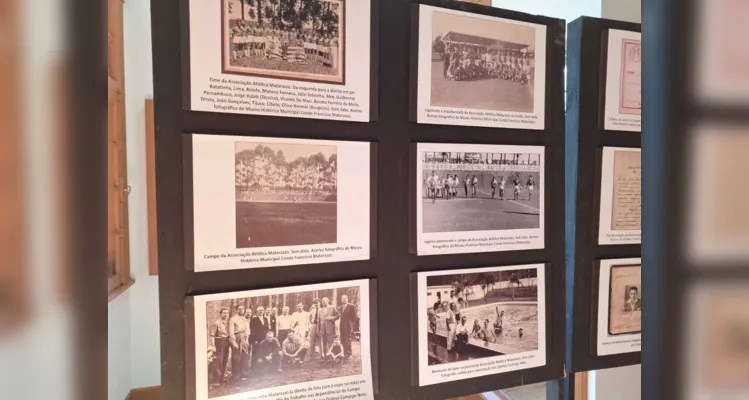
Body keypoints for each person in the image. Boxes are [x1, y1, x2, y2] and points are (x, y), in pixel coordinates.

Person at [209, 308, 231, 386]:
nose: (225, 315)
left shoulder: (228, 323)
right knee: (218, 361)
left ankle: (222, 379)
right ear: (220, 314)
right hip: (219, 342)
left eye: (227, 313)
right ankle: (216, 381)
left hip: (226, 342)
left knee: (224, 360)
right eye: (224, 313)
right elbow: (212, 336)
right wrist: (213, 346)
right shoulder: (216, 323)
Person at [228, 305, 250, 382]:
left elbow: (247, 330)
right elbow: (231, 332)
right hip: (236, 337)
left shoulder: (244, 319)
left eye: (242, 309)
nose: (241, 310)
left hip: (243, 337)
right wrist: (233, 342)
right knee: (236, 357)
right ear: (236, 310)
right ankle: (235, 375)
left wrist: (247, 339)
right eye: (239, 309)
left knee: (245, 355)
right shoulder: (232, 319)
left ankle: (244, 374)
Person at [338, 295, 357, 360]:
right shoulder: (340, 307)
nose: (344, 300)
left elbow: (354, 318)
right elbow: (338, 316)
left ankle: (349, 354)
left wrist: (352, 327)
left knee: (348, 340)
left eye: (345, 298)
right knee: (343, 340)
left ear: (347, 299)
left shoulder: (351, 306)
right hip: (342, 326)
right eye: (342, 299)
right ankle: (345, 353)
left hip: (348, 326)